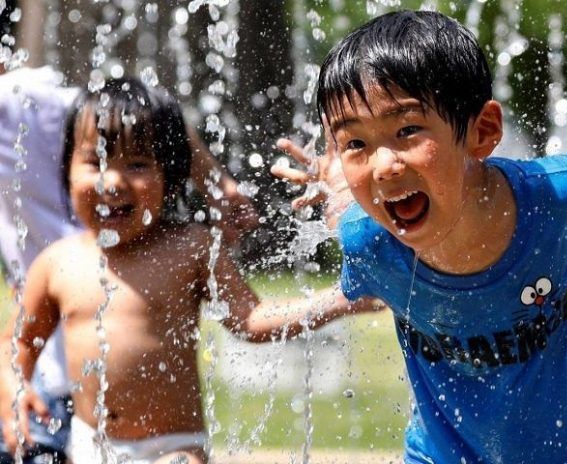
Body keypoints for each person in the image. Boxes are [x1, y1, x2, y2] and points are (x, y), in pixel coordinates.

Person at [271, 10, 567, 463]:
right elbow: (348, 220)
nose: (383, 166)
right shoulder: (370, 242)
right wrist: (337, 192)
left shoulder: (555, 199)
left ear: (482, 131)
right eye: (356, 144)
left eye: (407, 130)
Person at [0, 78, 376, 463]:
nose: (112, 181)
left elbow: (250, 319)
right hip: (89, 446)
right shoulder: (57, 262)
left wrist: (343, 299)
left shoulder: (191, 247)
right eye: (95, 162)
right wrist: (14, 388)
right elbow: (19, 343)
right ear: (66, 170)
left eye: (137, 164)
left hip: (175, 449)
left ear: (172, 175)